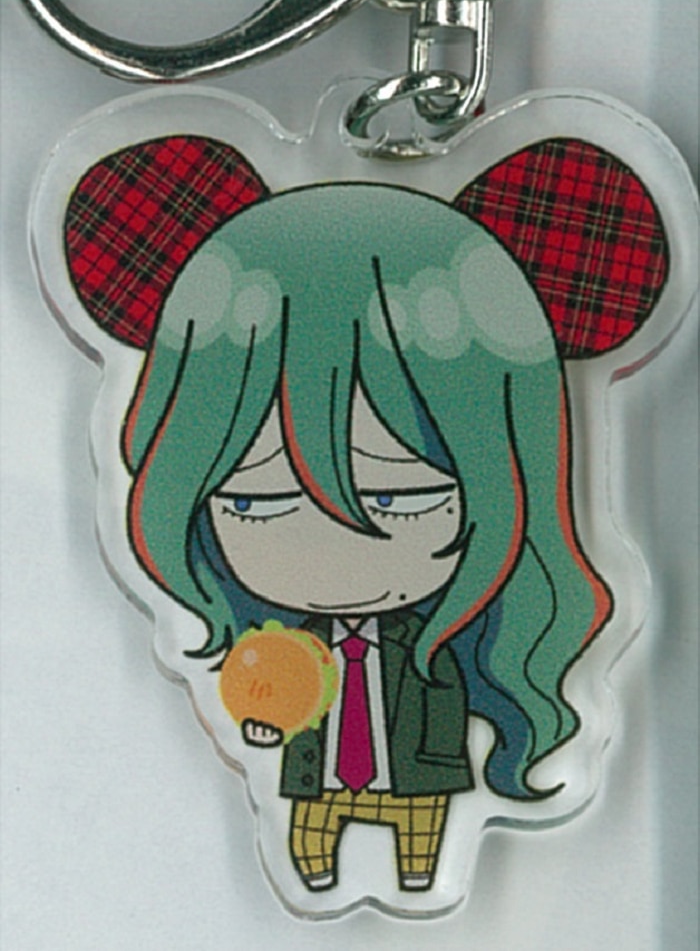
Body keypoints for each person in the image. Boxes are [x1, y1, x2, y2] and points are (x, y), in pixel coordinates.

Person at [121, 182, 612, 890]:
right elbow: (271, 699)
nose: (334, 538)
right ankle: (320, 869)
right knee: (312, 836)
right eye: (256, 501)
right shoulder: (285, 648)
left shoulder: (441, 648)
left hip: (420, 778)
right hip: (314, 780)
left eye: (398, 497)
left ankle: (416, 874)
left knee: (420, 838)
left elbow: (448, 703)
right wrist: (266, 722)